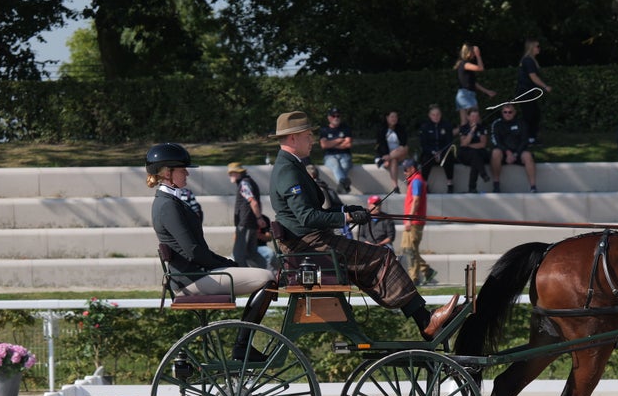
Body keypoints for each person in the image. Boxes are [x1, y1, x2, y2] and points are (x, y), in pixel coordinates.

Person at [268, 111, 459, 340]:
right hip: (310, 246)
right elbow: (307, 217)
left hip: (311, 243)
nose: (312, 140)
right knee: (382, 257)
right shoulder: (288, 170)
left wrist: (346, 211)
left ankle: (422, 318)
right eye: (308, 135)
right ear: (293, 138)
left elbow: (312, 212)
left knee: (371, 259)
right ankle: (425, 321)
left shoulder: (292, 165)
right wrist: (346, 219)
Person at [146, 143, 275, 360]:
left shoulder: (171, 201)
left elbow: (197, 251)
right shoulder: (167, 205)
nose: (186, 173)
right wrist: (228, 265)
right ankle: (242, 346)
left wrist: (226, 263)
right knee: (268, 277)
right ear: (167, 173)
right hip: (191, 279)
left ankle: (243, 345)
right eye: (182, 170)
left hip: (193, 274)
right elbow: (194, 252)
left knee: (262, 276)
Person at [400, 159, 438, 285]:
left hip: (414, 221)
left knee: (409, 249)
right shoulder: (416, 180)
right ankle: (426, 271)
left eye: (405, 169)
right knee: (410, 249)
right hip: (414, 221)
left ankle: (414, 278)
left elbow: (416, 201)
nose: (404, 172)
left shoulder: (416, 181)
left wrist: (409, 219)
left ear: (412, 168)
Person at [228, 161, 270, 268]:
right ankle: (269, 273)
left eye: (232, 173)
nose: (230, 176)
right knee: (252, 254)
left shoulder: (243, 184)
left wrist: (259, 218)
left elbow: (253, 202)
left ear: (238, 173)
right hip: (250, 224)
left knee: (238, 255)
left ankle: (246, 280)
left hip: (245, 224)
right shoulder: (249, 181)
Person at [490, 103, 538, 193]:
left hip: (519, 153)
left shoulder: (522, 123)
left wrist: (515, 154)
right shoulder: (497, 124)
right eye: (505, 112)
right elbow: (496, 141)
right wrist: (507, 152)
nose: (507, 114)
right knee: (495, 153)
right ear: (502, 113)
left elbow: (525, 141)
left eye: (510, 112)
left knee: (527, 155)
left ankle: (533, 187)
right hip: (504, 153)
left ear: (514, 112)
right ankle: (496, 185)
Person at [516, 39, 551, 144]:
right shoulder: (528, 61)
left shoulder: (529, 60)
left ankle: (531, 137)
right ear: (531, 48)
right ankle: (526, 137)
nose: (539, 48)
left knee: (534, 114)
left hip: (528, 92)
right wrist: (545, 86)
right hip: (525, 92)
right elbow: (533, 77)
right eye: (537, 46)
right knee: (529, 115)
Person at [418, 104, 457, 192]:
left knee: (449, 158)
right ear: (429, 115)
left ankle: (450, 183)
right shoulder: (425, 127)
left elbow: (449, 142)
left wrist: (441, 152)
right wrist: (433, 152)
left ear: (441, 114)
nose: (436, 117)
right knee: (426, 159)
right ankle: (425, 184)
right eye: (433, 115)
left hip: (443, 152)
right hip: (430, 152)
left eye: (438, 114)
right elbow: (423, 144)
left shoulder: (447, 125)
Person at [454, 44, 496, 125]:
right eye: (473, 53)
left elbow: (473, 83)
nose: (474, 55)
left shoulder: (463, 64)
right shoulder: (465, 64)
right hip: (466, 95)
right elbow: (481, 68)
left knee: (465, 123)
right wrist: (478, 56)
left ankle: (453, 136)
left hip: (463, 95)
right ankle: (479, 136)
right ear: (469, 53)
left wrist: (487, 91)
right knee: (476, 120)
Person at [318, 107, 354, 193]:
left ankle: (341, 184)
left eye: (338, 116)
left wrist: (330, 144)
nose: (336, 118)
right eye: (333, 116)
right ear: (329, 117)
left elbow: (348, 144)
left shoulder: (346, 128)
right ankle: (345, 183)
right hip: (329, 156)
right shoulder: (324, 130)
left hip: (345, 155)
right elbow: (324, 145)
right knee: (335, 165)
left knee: (345, 165)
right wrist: (339, 140)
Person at [374, 110, 409, 192]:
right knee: (393, 160)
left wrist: (388, 157)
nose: (394, 119)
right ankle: (395, 187)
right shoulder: (382, 129)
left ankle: (387, 158)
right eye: (392, 117)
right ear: (387, 118)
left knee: (405, 148)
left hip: (398, 154)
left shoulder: (401, 129)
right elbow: (380, 145)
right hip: (384, 154)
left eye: (396, 117)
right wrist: (386, 155)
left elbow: (404, 143)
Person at [457, 107, 490, 193]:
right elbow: (464, 143)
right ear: (468, 117)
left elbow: (483, 144)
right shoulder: (464, 128)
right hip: (465, 155)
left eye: (476, 116)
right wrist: (472, 130)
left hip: (478, 153)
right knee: (475, 156)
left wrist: (469, 145)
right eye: (472, 116)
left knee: (475, 157)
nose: (474, 119)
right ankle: (483, 174)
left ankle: (472, 187)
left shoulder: (482, 128)